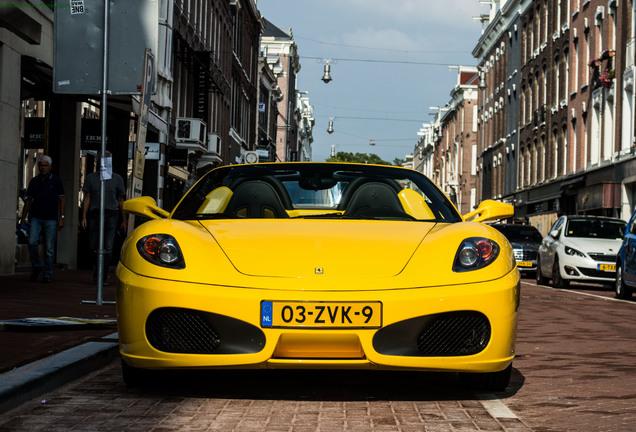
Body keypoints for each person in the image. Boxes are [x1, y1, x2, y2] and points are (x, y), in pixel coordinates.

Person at [81, 152, 127, 285]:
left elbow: (120, 200)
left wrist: (124, 219)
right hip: (95, 213)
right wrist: (83, 216)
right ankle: (98, 271)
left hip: (111, 214)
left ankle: (103, 274)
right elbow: (87, 197)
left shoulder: (117, 179)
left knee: (108, 246)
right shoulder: (91, 178)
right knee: (93, 245)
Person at [19, 155, 66, 283]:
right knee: (32, 241)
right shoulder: (34, 181)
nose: (43, 168)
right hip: (36, 218)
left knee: (49, 248)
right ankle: (37, 266)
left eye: (45, 166)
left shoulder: (56, 182)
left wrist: (61, 217)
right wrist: (23, 219)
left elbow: (62, 200)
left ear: (50, 167)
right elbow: (28, 201)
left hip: (51, 219)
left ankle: (47, 274)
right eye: (41, 165)